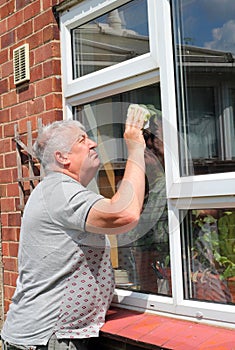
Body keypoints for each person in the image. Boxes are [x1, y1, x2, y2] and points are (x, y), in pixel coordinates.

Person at [1, 106, 146, 350]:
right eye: (82, 139)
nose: (93, 143)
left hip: (43, 337)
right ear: (62, 157)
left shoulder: (56, 190)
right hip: (48, 340)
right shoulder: (61, 191)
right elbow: (125, 214)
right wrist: (135, 148)